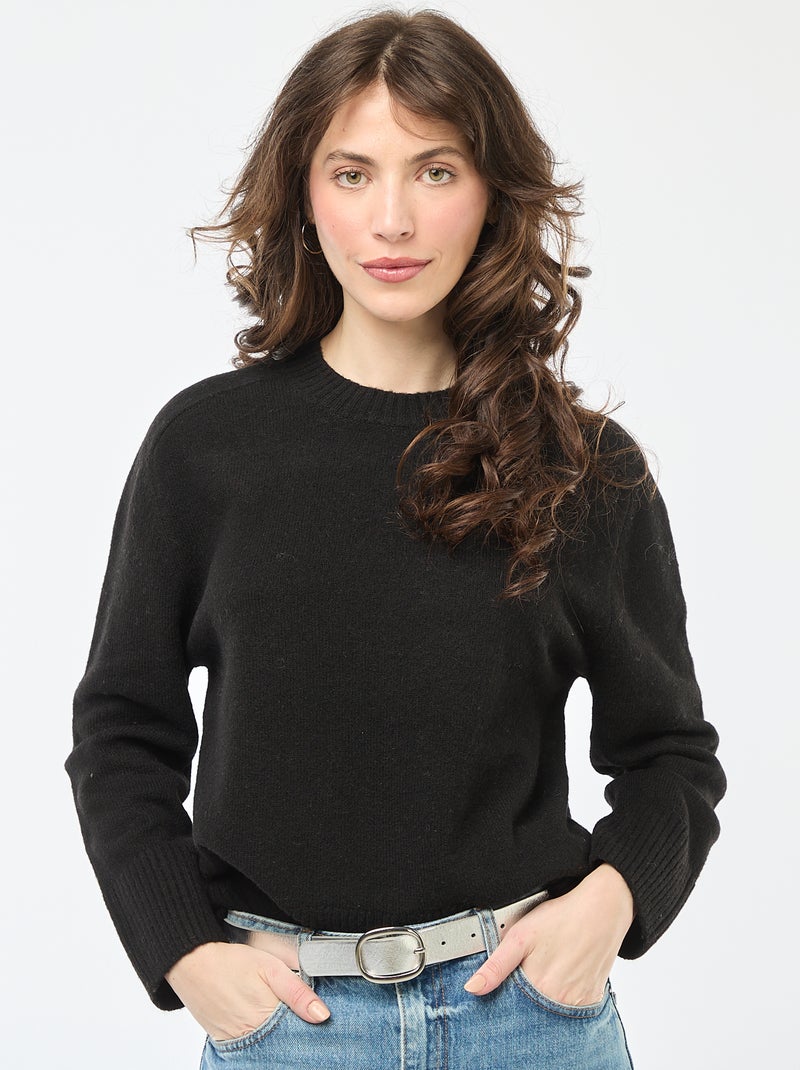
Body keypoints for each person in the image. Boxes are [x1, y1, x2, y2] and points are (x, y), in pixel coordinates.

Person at [65, 9, 726, 1068]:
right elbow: (120, 730)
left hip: (529, 1018)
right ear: (303, 194)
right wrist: (183, 949)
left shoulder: (584, 466)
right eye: (351, 172)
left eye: (435, 171)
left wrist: (611, 902)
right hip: (289, 1025)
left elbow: (670, 756)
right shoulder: (204, 449)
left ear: (491, 193)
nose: (392, 220)